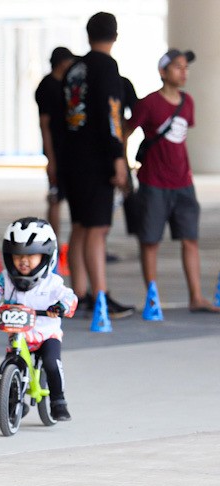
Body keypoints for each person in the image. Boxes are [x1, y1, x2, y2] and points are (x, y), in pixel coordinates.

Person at [126, 49, 219, 313]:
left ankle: (197, 297)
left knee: (190, 238)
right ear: (163, 72)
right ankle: (153, 299)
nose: (183, 72)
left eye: (185, 67)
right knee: (150, 240)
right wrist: (121, 163)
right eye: (178, 67)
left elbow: (180, 136)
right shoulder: (149, 103)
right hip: (153, 183)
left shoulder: (187, 102)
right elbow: (126, 131)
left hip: (183, 183)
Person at [61, 12, 134, 318]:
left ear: (88, 35)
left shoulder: (74, 68)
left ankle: (78, 294)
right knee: (97, 228)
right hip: (97, 159)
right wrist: (118, 157)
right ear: (115, 36)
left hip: (72, 159)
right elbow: (111, 114)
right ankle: (101, 298)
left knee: (80, 227)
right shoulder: (107, 67)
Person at [0, 217, 78, 421]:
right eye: (17, 256)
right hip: (17, 332)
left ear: (47, 255)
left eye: (31, 255)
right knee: (7, 365)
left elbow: (70, 298)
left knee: (51, 363)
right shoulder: (5, 279)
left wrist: (60, 307)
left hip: (45, 334)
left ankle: (58, 401)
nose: (23, 261)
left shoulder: (52, 283)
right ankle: (11, 401)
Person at [35, 46, 76, 238]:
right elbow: (44, 124)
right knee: (55, 198)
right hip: (57, 151)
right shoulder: (46, 87)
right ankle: (54, 242)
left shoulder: (69, 84)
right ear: (62, 63)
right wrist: (51, 158)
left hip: (72, 151)